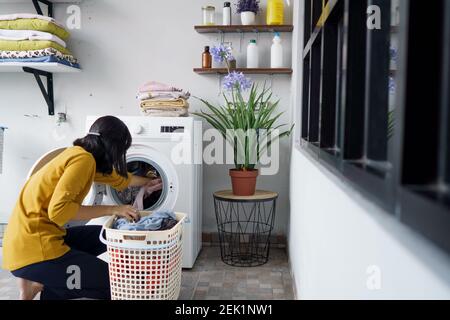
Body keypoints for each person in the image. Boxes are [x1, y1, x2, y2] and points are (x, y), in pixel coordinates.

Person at [2, 116, 163, 300]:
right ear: (113, 147)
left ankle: (47, 284)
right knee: (117, 284)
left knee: (107, 235)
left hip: (30, 241)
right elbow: (59, 211)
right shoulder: (83, 161)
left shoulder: (79, 155)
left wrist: (150, 183)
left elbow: (121, 180)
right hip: (37, 250)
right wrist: (114, 209)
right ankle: (47, 280)